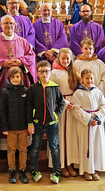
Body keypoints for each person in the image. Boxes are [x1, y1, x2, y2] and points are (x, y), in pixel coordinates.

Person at [27, 61, 65, 184]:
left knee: (54, 147)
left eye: (47, 71)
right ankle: (33, 170)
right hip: (37, 123)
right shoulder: (33, 88)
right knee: (35, 147)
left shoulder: (55, 87)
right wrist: (30, 123)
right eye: (42, 71)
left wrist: (56, 114)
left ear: (50, 72)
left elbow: (62, 102)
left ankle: (57, 171)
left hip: (52, 124)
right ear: (37, 73)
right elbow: (29, 107)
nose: (45, 74)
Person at [50, 48, 80, 177]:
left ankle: (69, 163)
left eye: (68, 58)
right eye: (63, 58)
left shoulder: (74, 71)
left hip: (73, 105)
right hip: (60, 106)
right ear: (58, 59)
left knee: (70, 136)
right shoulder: (54, 73)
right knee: (61, 136)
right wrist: (65, 103)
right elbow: (52, 92)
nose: (65, 61)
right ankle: (60, 164)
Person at [0, 15, 37, 90]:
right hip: (1, 78)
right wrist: (1, 63)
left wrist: (21, 62)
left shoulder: (23, 41)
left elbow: (31, 57)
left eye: (11, 23)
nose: (9, 25)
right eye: (6, 23)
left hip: (19, 77)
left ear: (14, 25)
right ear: (1, 25)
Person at [71, 69, 105, 181]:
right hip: (85, 124)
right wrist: (89, 119)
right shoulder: (78, 93)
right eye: (87, 78)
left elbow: (103, 105)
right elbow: (76, 110)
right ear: (82, 79)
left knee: (96, 146)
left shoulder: (98, 92)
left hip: (97, 124)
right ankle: (86, 170)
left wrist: (98, 118)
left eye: (91, 78)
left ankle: (94, 169)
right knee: (86, 147)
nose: (89, 80)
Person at [0, 66, 29, 184]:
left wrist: (29, 125)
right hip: (11, 128)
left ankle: (22, 170)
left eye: (18, 77)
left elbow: (28, 109)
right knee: (11, 150)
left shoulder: (25, 91)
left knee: (23, 150)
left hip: (23, 127)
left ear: (21, 78)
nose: (16, 79)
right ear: (9, 78)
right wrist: (5, 126)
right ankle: (11, 170)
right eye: (13, 77)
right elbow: (2, 110)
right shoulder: (5, 92)